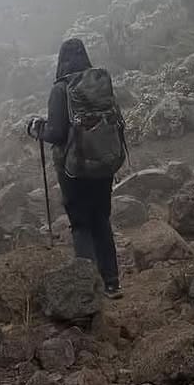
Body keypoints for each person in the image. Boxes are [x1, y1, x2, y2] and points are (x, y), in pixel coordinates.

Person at [29, 38, 122, 299]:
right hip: (104, 163)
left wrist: (38, 130)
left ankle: (88, 288)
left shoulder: (61, 89)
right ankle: (112, 283)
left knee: (81, 224)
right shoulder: (100, 82)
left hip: (74, 169)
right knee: (101, 220)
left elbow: (57, 133)